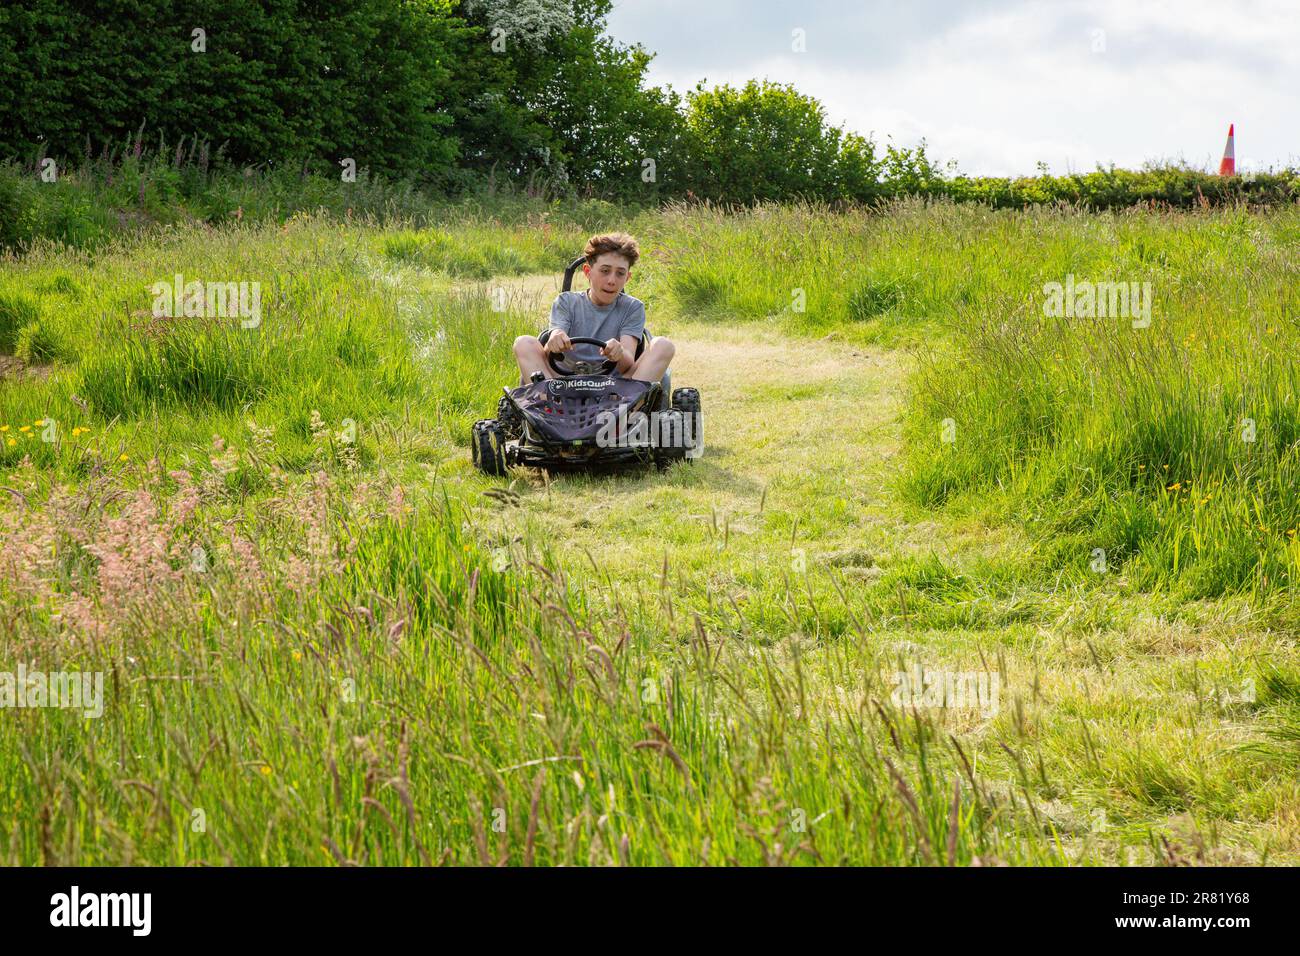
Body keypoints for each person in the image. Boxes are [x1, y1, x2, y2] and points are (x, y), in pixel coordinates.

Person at [513, 232, 674, 385]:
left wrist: (618, 353)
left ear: (627, 278)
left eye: (620, 274)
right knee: (523, 342)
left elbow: (627, 363)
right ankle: (547, 404)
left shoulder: (632, 307)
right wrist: (554, 341)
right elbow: (550, 351)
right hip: (562, 383)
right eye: (605, 271)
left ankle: (626, 408)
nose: (612, 280)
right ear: (588, 272)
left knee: (663, 345)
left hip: (614, 388)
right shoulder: (566, 302)